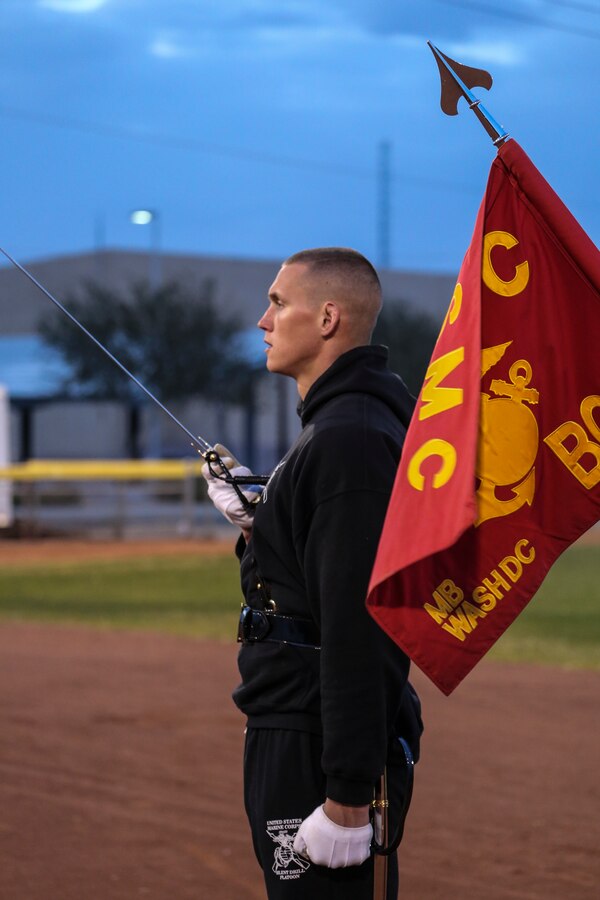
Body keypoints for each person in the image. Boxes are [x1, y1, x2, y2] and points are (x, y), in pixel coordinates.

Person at [202, 247, 423, 899]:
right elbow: (322, 570)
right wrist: (267, 521)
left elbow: (359, 625)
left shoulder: (346, 439)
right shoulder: (342, 428)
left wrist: (349, 796)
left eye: (277, 303)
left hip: (312, 732)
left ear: (328, 318)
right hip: (299, 718)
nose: (263, 322)